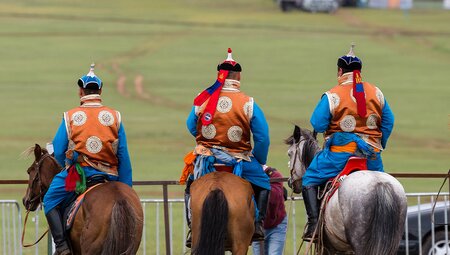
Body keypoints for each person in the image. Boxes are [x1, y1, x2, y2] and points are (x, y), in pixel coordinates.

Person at [301, 44, 395, 241]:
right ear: (359, 72)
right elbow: (389, 121)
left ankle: (313, 226)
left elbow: (317, 122)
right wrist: (378, 144)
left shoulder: (332, 95)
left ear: (340, 71)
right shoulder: (376, 92)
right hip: (371, 158)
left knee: (309, 179)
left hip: (338, 156)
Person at [182, 48, 271, 246]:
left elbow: (190, 125)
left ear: (219, 75)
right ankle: (257, 225)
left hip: (207, 160)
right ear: (238, 76)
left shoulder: (203, 98)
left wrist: (206, 142)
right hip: (240, 160)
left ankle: (191, 227)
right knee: (264, 184)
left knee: (190, 186)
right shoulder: (249, 103)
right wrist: (259, 159)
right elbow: (263, 137)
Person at [42, 64, 133, 255]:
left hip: (80, 174)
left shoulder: (71, 116)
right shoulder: (115, 116)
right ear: (100, 90)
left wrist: (69, 165)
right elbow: (123, 155)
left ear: (81, 92)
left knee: (49, 199)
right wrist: (126, 189)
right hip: (110, 176)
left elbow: (58, 150)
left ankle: (61, 246)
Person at [252, 166, 288, 255]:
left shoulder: (274, 175)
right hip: (256, 227)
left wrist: (260, 186)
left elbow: (274, 198)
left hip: (277, 225)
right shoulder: (249, 177)